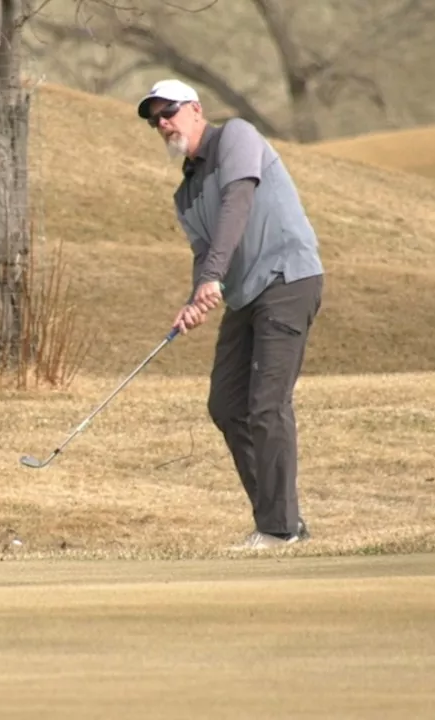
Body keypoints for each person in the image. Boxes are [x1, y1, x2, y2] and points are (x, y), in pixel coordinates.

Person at [136, 79, 325, 551]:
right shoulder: (185, 192)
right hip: (244, 297)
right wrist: (194, 298)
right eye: (154, 118)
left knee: (266, 404)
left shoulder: (236, 137)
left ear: (195, 109)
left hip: (287, 280)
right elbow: (206, 252)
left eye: (169, 112)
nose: (162, 123)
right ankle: (282, 519)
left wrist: (213, 276)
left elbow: (237, 205)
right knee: (226, 404)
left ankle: (279, 530)